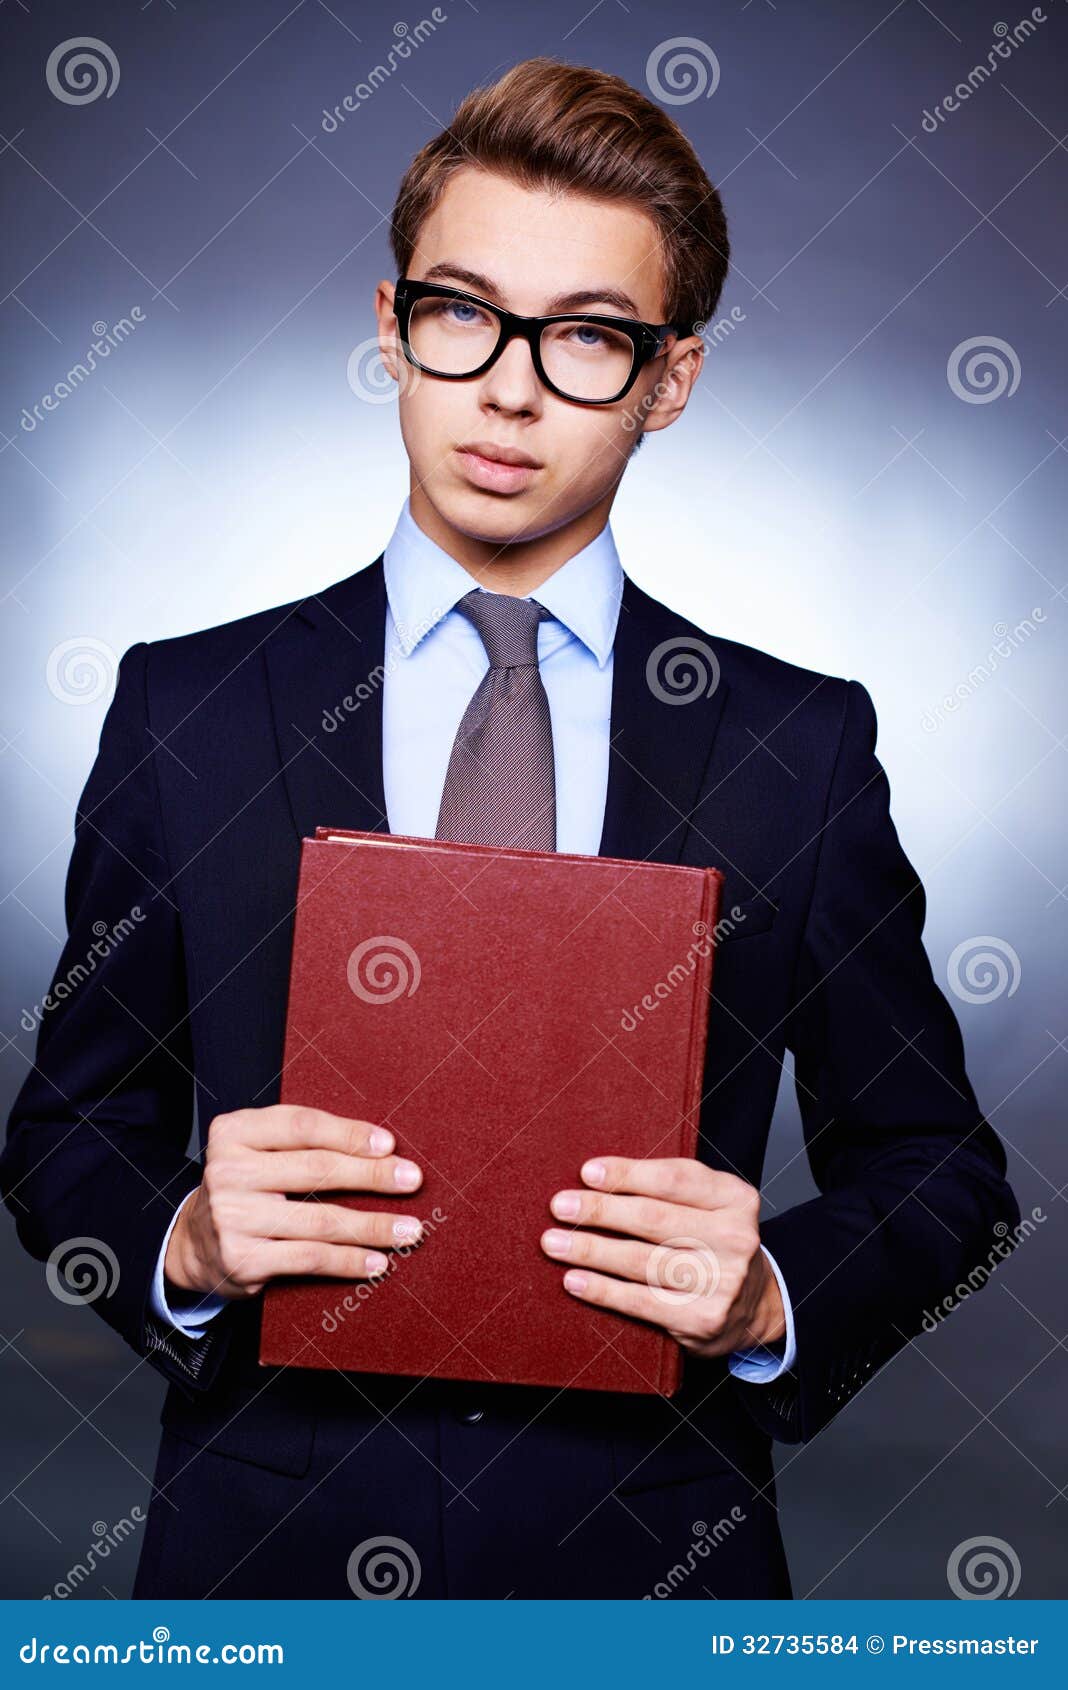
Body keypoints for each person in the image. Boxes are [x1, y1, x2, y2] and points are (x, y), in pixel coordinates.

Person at [1, 57, 1018, 1600]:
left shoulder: (798, 750)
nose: (510, 384)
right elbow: (68, 1135)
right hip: (266, 1564)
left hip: (654, 1558)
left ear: (672, 379)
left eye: (590, 338)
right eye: (463, 311)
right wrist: (185, 1246)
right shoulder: (185, 710)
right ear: (392, 325)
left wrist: (767, 1297)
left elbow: (944, 1168)